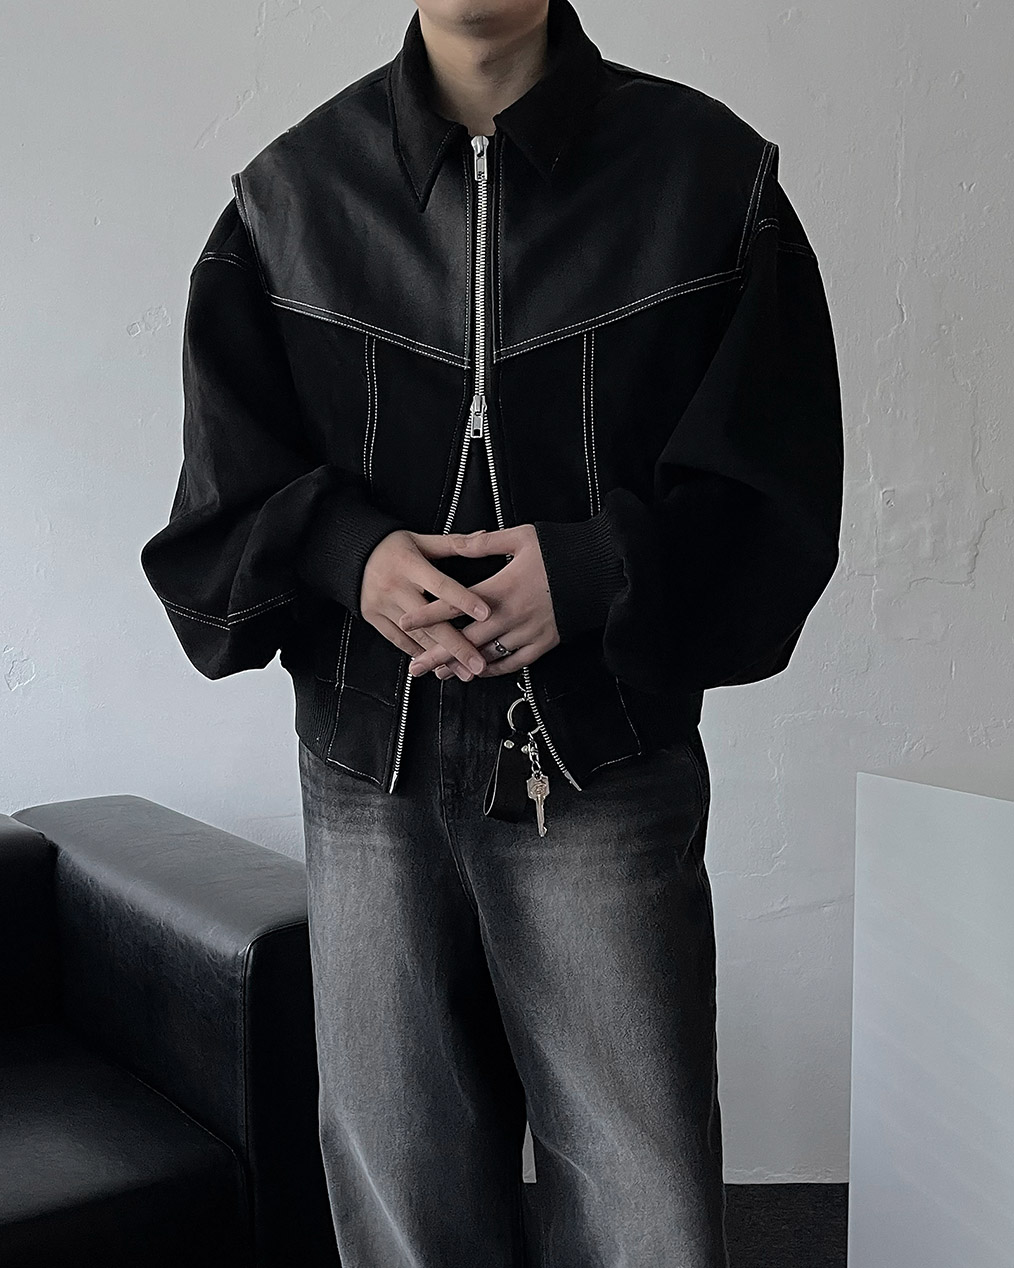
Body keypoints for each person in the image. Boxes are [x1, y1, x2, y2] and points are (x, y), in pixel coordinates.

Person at [141, 1, 845, 1263]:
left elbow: (777, 505)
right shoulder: (290, 199)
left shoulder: (707, 182)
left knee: (642, 1198)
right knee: (400, 1189)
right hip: (368, 774)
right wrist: (351, 552)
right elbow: (218, 508)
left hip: (601, 767)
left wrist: (591, 569)